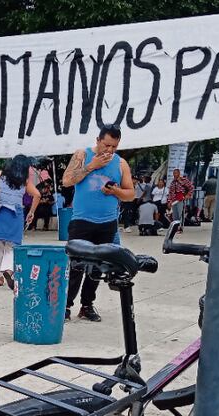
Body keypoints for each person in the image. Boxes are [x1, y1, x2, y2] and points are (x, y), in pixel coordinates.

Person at [61, 124, 136, 322]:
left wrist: (115, 191)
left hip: (107, 223)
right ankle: (65, 306)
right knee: (76, 265)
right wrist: (91, 166)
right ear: (98, 140)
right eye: (106, 145)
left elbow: (130, 194)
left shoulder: (121, 164)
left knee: (97, 267)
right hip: (81, 221)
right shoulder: (82, 155)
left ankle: (87, 305)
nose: (109, 150)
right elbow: (66, 180)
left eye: (114, 146)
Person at [0, 155, 40, 290]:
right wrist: (31, 212)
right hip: (15, 215)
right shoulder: (24, 181)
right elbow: (37, 195)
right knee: (12, 246)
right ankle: (8, 271)